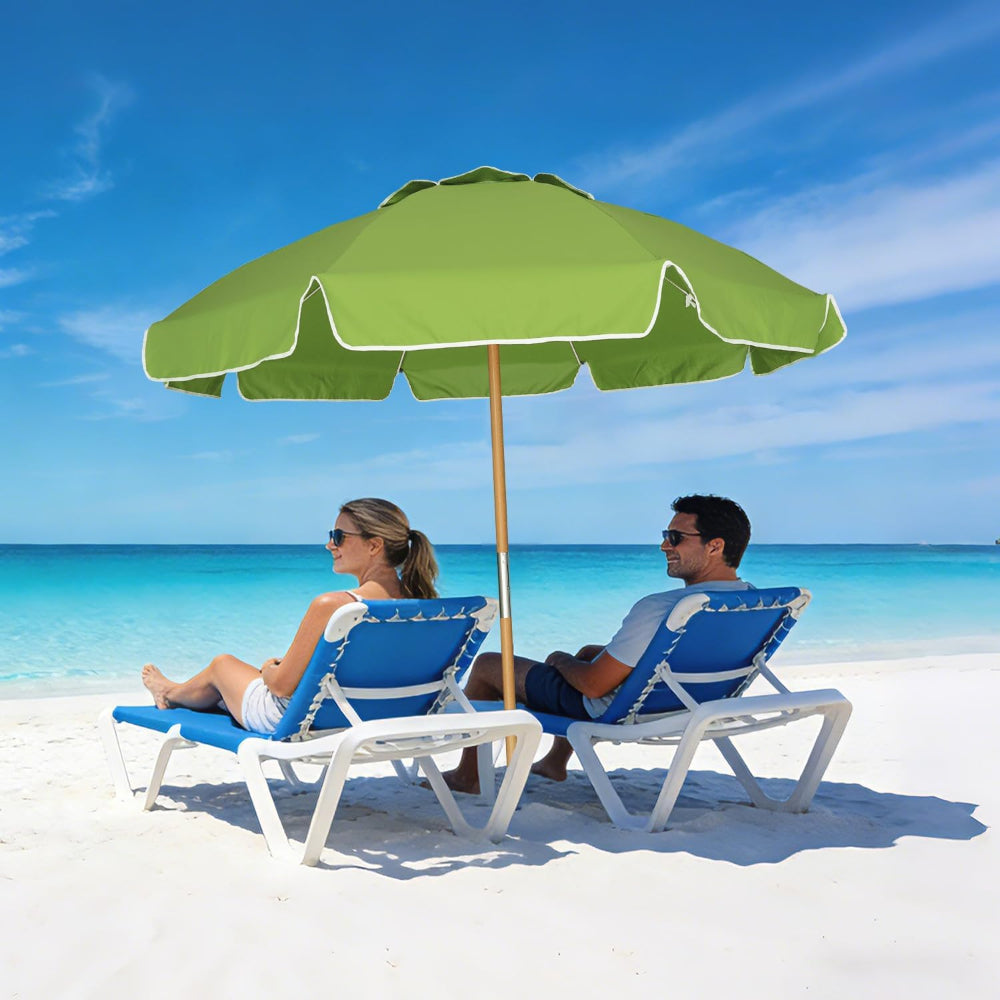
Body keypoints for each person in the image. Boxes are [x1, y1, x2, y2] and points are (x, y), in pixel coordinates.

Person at [441, 494, 754, 794]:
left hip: (622, 710)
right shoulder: (752, 602)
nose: (663, 545)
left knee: (489, 665)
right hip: (693, 702)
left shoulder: (661, 607)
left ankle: (469, 776)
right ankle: (554, 762)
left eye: (675, 537)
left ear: (715, 546)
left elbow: (593, 686)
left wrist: (558, 658)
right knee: (592, 653)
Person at [141, 498, 438, 734]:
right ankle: (176, 690)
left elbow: (281, 687)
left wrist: (269, 668)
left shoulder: (333, 605)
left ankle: (170, 692)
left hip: (302, 720)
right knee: (232, 679)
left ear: (374, 545)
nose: (329, 545)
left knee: (222, 665)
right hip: (385, 716)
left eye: (339, 536)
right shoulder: (425, 608)